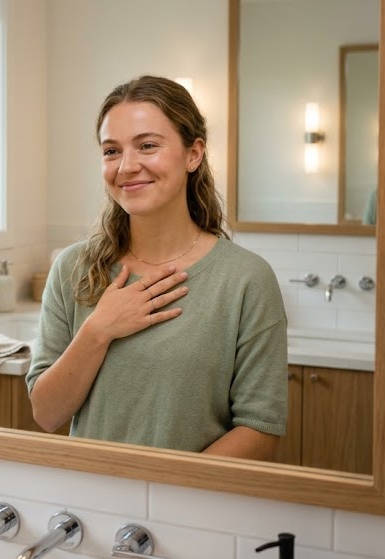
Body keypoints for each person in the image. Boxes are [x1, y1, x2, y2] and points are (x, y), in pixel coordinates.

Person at [26, 76, 287, 460]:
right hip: (90, 506)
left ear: (193, 154)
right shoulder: (72, 268)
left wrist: (162, 494)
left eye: (147, 146)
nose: (127, 166)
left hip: (189, 509)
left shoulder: (246, 279)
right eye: (111, 151)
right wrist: (98, 329)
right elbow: (47, 414)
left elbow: (260, 429)